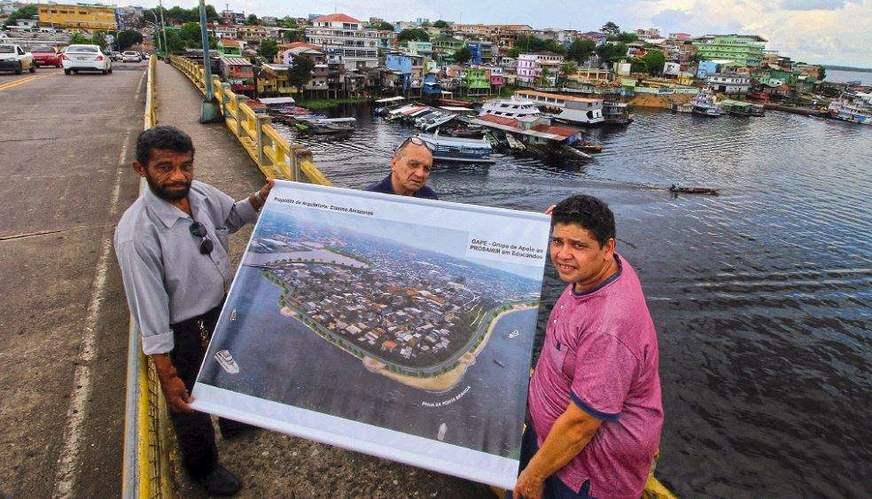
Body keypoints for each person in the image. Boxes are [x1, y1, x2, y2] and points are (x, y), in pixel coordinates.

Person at [114, 125, 272, 496]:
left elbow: (232, 217)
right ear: (142, 169)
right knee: (189, 401)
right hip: (182, 326)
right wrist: (166, 373)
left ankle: (234, 422)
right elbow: (149, 311)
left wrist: (259, 198)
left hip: (219, 307)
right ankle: (202, 468)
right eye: (165, 168)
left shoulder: (198, 195)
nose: (178, 177)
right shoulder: (137, 234)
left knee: (229, 369)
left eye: (186, 166)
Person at [513, 195, 663, 499]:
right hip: (549, 439)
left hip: (585, 473)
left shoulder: (609, 326)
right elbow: (577, 234)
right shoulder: (605, 268)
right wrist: (560, 221)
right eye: (557, 242)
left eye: (578, 246)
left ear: (608, 248)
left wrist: (533, 475)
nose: (563, 254)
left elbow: (581, 424)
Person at [367, 136, 438, 199]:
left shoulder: (430, 198)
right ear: (394, 163)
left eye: (426, 169)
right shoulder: (369, 198)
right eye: (413, 165)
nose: (420, 174)